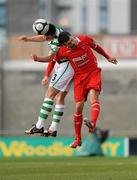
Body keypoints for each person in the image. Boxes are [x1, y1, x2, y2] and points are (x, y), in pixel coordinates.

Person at [31, 32, 117, 148]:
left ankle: (92, 124)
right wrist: (45, 71)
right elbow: (52, 60)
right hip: (79, 78)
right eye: (69, 44)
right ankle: (78, 139)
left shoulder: (85, 39)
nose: (72, 44)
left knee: (93, 97)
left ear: (72, 36)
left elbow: (97, 47)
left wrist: (108, 57)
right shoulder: (63, 51)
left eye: (71, 41)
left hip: (93, 73)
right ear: (65, 45)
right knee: (78, 107)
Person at [19, 20, 74, 137]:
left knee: (49, 94)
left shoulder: (56, 42)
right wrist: (28, 39)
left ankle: (39, 125)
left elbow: (50, 58)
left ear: (49, 34)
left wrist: (37, 58)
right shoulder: (56, 31)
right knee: (60, 97)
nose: (43, 38)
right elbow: (43, 38)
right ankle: (53, 128)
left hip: (66, 65)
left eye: (45, 36)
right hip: (68, 65)